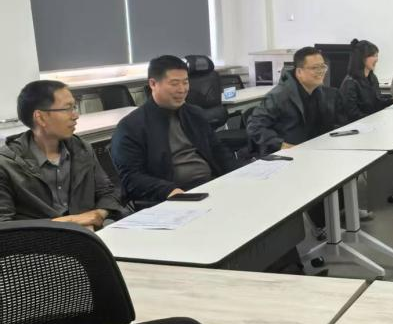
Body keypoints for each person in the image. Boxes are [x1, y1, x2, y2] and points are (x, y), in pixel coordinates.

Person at [111, 55, 237, 204]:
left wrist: (238, 173)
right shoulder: (131, 126)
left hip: (211, 186)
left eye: (185, 82)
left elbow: (217, 150)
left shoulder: (194, 114)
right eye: (174, 83)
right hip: (173, 196)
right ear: (153, 83)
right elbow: (131, 178)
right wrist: (168, 190)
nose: (182, 89)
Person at [0, 80, 125, 226]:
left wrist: (98, 214)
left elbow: (108, 193)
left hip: (89, 235)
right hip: (39, 240)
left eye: (74, 107)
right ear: (40, 117)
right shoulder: (7, 164)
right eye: (67, 109)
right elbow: (4, 226)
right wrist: (71, 221)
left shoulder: (81, 149)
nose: (75, 115)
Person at [248, 47, 348, 155]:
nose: (321, 72)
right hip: (288, 155)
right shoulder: (279, 96)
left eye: (323, 67)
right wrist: (280, 145)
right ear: (299, 72)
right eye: (315, 68)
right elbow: (254, 126)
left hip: (314, 151)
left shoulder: (322, 92)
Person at [340, 40, 393, 123]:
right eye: (373, 56)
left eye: (377, 56)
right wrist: (374, 120)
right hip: (358, 126)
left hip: (371, 123)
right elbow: (352, 114)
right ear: (362, 58)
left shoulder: (372, 77)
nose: (377, 59)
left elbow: (377, 102)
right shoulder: (350, 82)